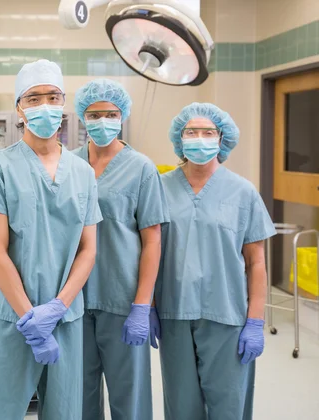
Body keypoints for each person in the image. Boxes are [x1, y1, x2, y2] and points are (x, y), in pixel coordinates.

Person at [0, 59, 102, 420]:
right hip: (12, 317)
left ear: (64, 103)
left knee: (64, 412)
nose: (45, 105)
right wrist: (31, 317)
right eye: (33, 98)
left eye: (53, 96)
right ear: (19, 108)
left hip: (65, 317)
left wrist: (58, 307)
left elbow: (88, 250)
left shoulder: (83, 173)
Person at [152, 102, 276, 420]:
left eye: (208, 132)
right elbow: (148, 252)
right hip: (174, 313)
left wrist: (255, 322)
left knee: (228, 406)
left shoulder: (243, 192)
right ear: (179, 139)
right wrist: (147, 306)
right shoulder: (160, 189)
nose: (200, 138)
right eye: (191, 132)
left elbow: (257, 262)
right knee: (180, 406)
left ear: (222, 139)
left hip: (227, 315)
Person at [73, 79, 169, 420]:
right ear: (82, 117)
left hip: (122, 300)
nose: (102, 121)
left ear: (122, 115)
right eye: (94, 114)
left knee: (130, 398)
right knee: (78, 397)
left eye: (110, 113)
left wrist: (143, 305)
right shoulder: (69, 165)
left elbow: (152, 240)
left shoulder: (141, 167)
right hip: (73, 299)